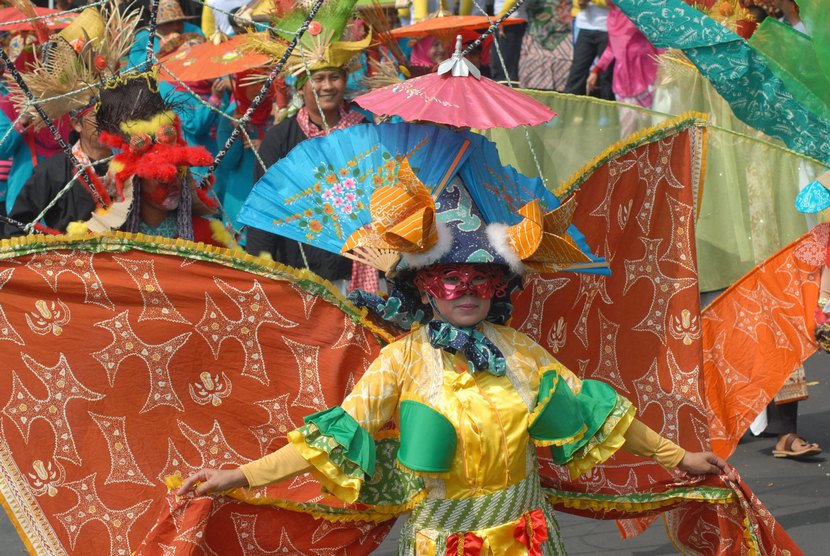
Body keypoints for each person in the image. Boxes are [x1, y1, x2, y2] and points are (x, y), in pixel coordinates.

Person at [179, 143, 731, 552]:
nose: (466, 293)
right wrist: (239, 475)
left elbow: (597, 410)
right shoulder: (401, 361)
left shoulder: (520, 351)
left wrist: (679, 457)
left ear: (500, 286)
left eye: (481, 279)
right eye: (450, 279)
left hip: (528, 540)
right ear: (423, 285)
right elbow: (332, 440)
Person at [244, 1, 371, 290]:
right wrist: (260, 269)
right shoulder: (280, 140)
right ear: (301, 86)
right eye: (318, 78)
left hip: (359, 266)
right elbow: (265, 209)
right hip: (300, 269)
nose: (327, 86)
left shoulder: (364, 130)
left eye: (334, 77)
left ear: (345, 80)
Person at [564, 0, 614, 100]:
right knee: (577, 71)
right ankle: (568, 108)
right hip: (584, 26)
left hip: (607, 28)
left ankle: (609, 112)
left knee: (607, 74)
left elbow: (615, 3)